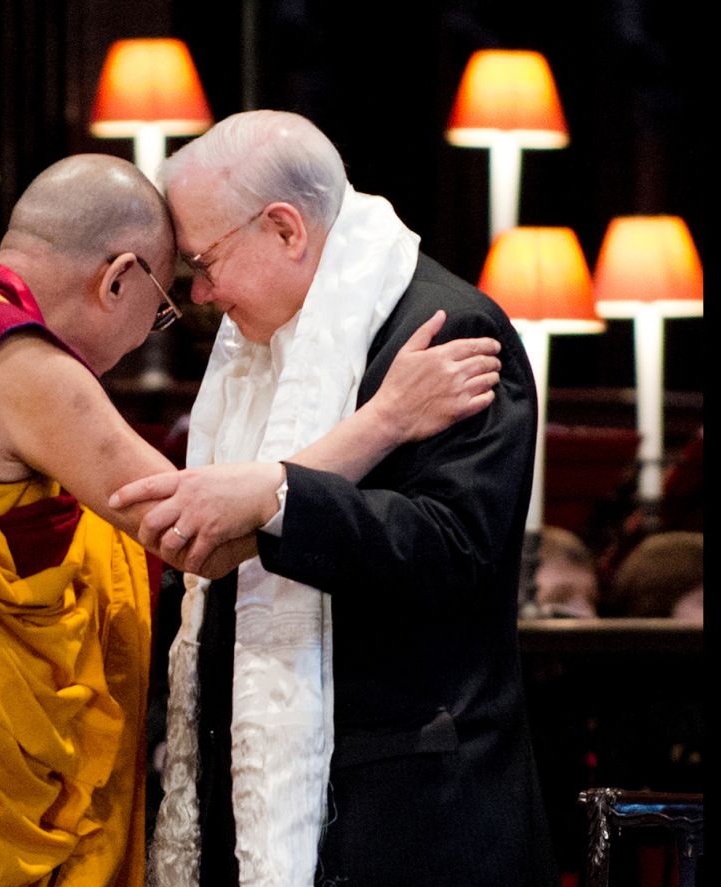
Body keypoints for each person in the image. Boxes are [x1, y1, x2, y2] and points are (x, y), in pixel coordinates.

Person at [0, 154, 502, 886]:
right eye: (158, 308)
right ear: (118, 279)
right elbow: (205, 536)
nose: (154, 330)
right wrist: (387, 419)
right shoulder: (24, 367)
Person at [114, 111, 557, 885]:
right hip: (264, 816)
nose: (204, 294)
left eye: (204, 262)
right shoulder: (253, 345)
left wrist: (277, 499)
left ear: (285, 228)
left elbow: (454, 546)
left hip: (411, 813)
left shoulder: (447, 327)